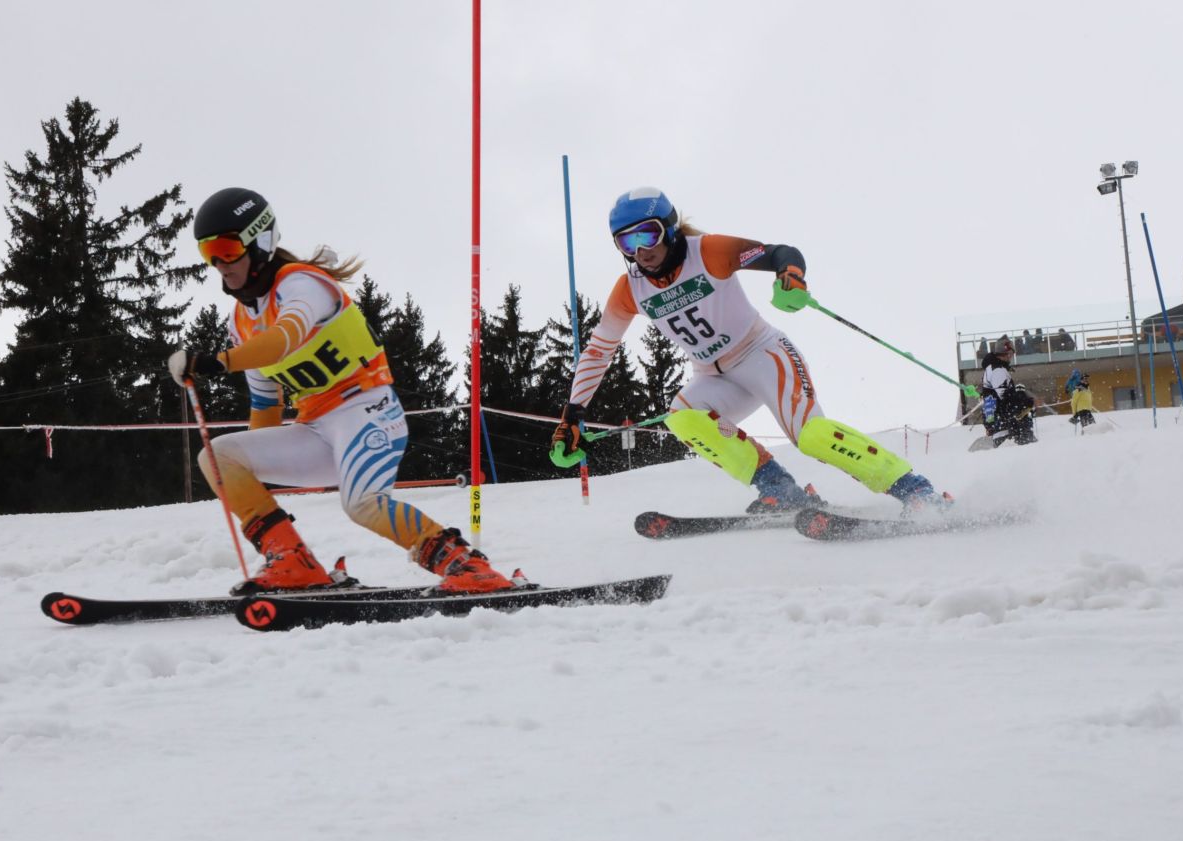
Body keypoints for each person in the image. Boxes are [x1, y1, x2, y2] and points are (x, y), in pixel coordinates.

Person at [169, 187, 514, 595]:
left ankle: (467, 566)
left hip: (366, 410)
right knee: (217, 457)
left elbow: (284, 339)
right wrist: (254, 474)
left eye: (226, 250)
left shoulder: (303, 284)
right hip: (316, 429)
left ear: (259, 242)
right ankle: (292, 561)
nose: (218, 264)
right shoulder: (241, 322)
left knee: (362, 505)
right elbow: (264, 403)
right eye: (207, 252)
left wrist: (217, 362)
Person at [550, 186, 950, 514]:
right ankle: (779, 488)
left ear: (669, 229)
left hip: (763, 355)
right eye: (627, 241)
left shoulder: (707, 251)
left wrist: (791, 275)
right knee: (683, 416)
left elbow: (780, 253)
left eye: (647, 235)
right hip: (714, 376)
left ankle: (915, 489)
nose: (640, 250)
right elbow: (599, 351)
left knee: (811, 436)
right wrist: (573, 414)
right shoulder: (630, 289)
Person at [980, 338, 1037, 446]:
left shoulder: (995, 368)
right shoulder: (997, 370)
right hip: (1004, 426)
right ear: (1006, 353)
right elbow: (1006, 399)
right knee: (1023, 450)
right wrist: (1024, 402)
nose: (1011, 356)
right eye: (1011, 353)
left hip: (1001, 423)